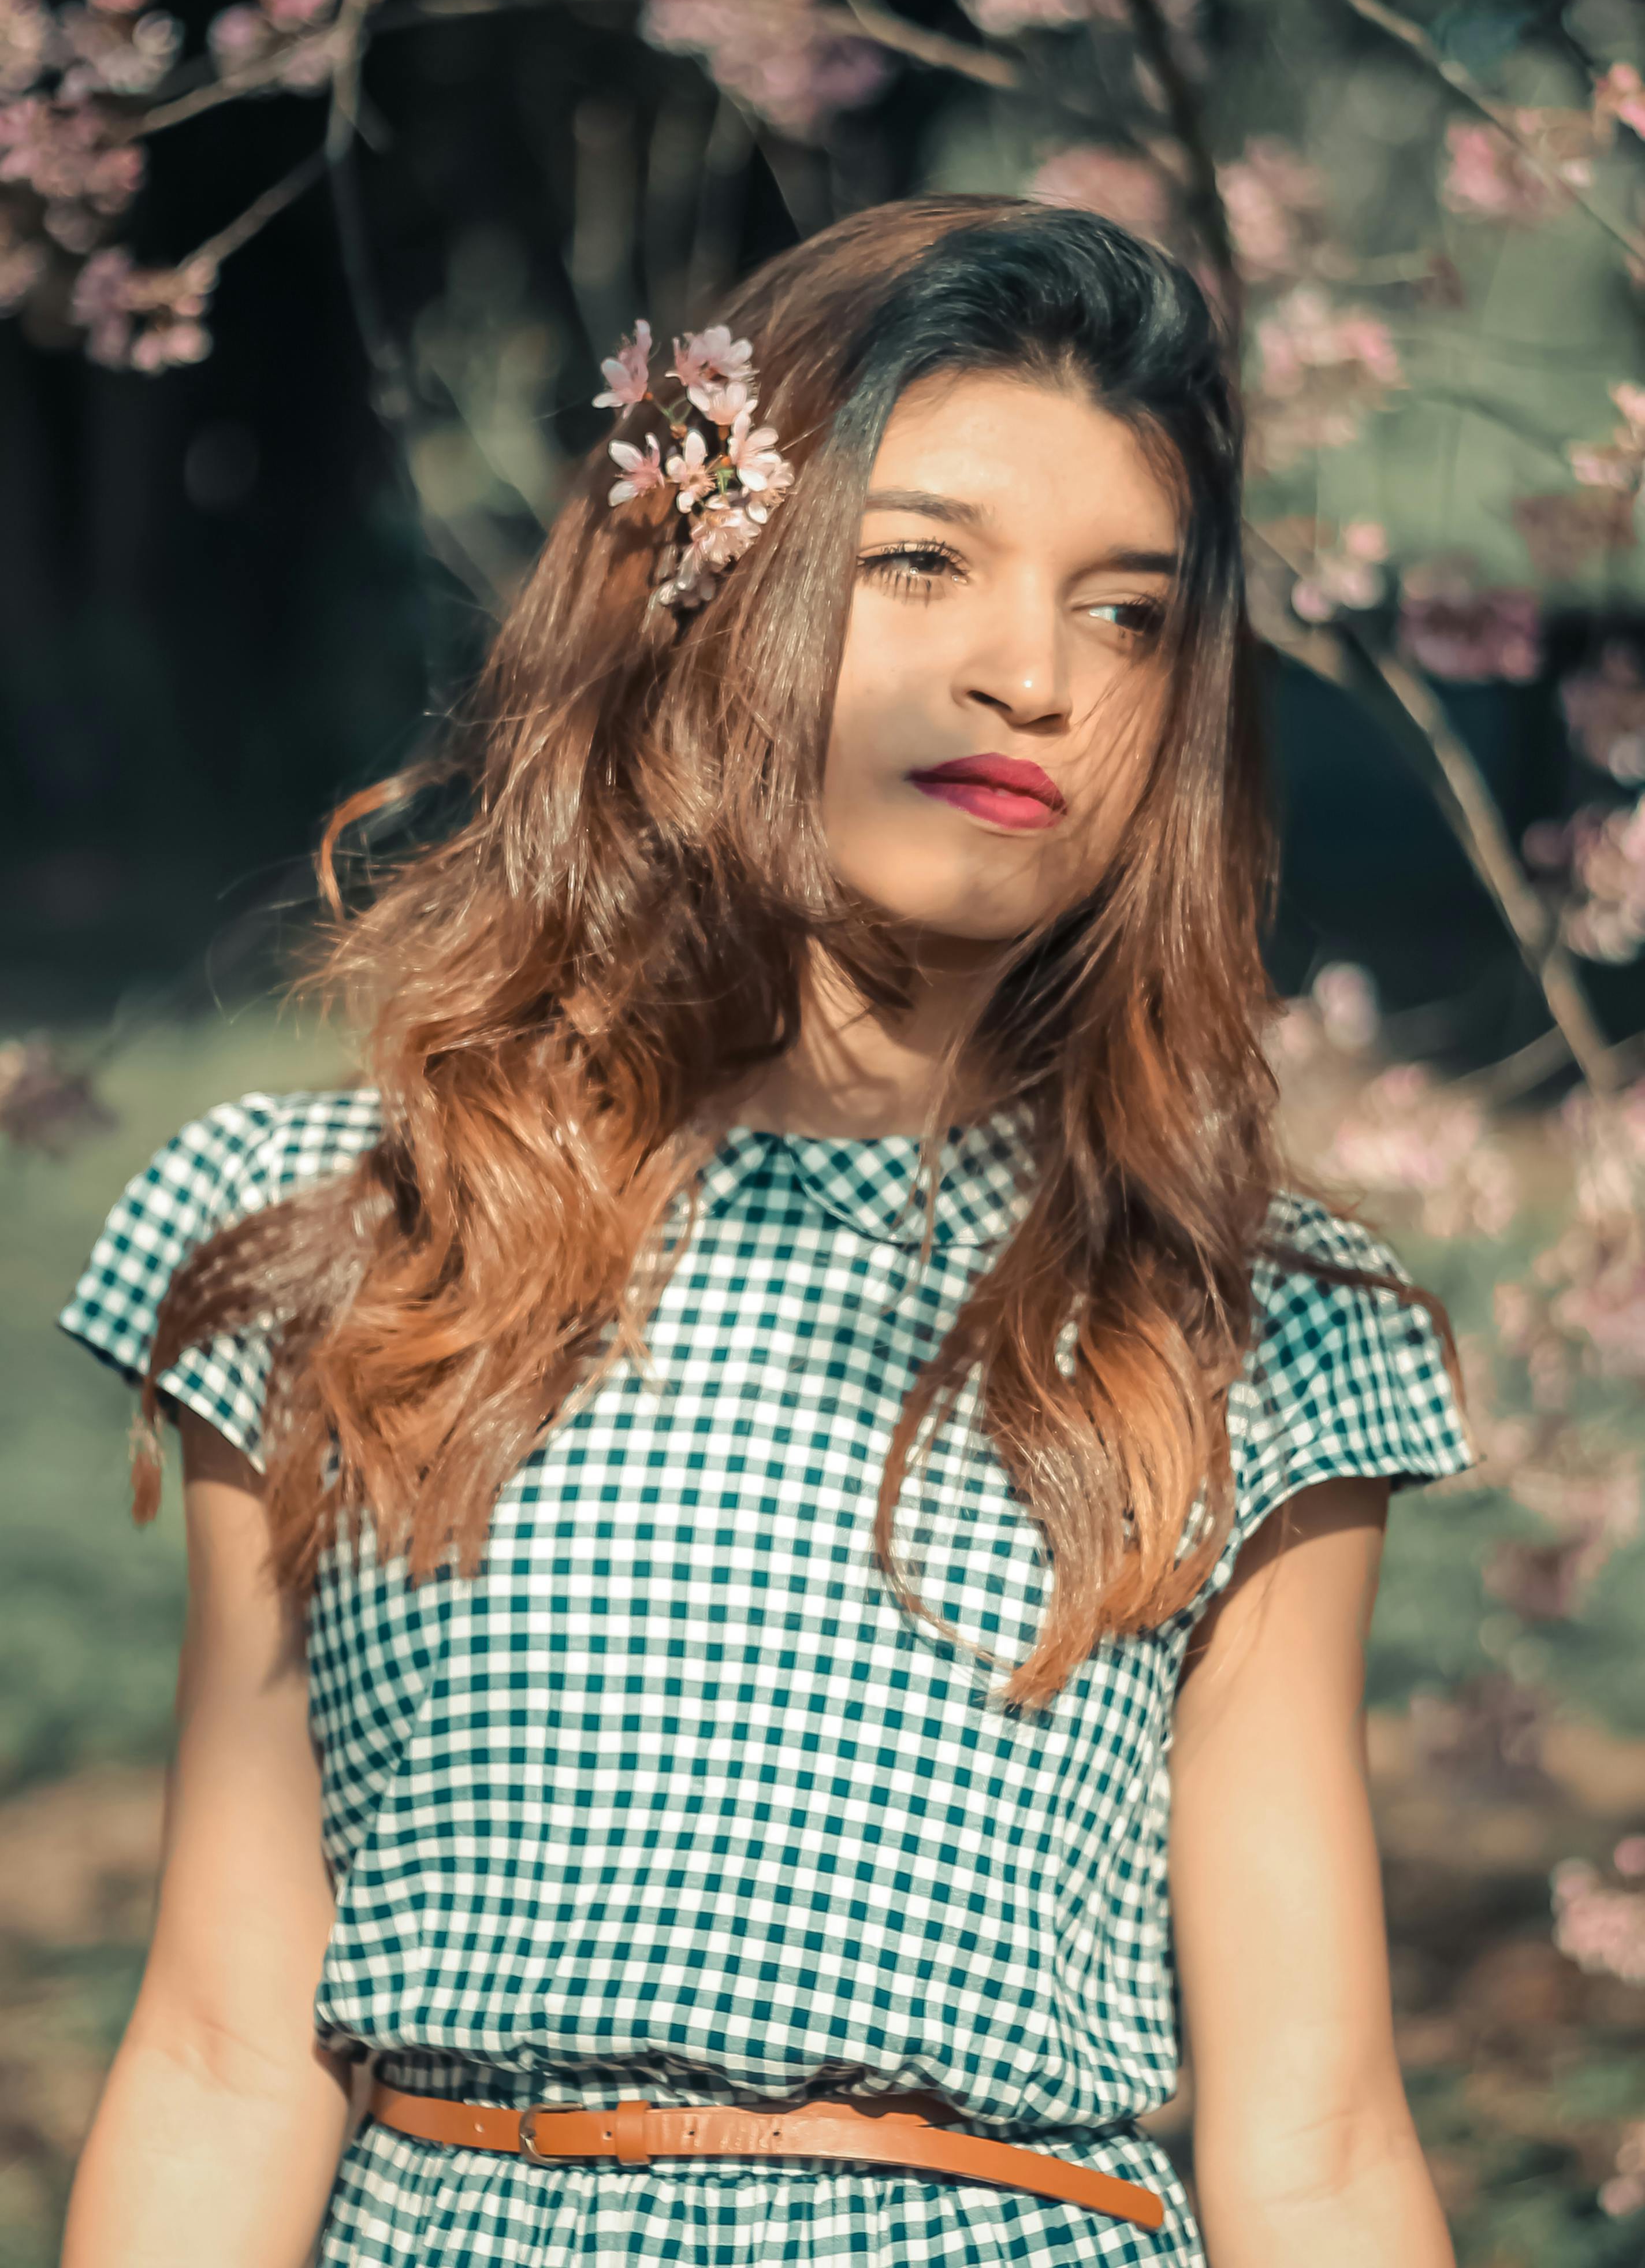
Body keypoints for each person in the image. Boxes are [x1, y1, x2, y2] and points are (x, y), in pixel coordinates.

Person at [57, 195, 1471, 2268]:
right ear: (710, 591)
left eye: (1130, 614)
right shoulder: (341, 1240)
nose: (1033, 676)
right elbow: (215, 2054)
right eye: (922, 562)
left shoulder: (1243, 1317)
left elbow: (1319, 2135)